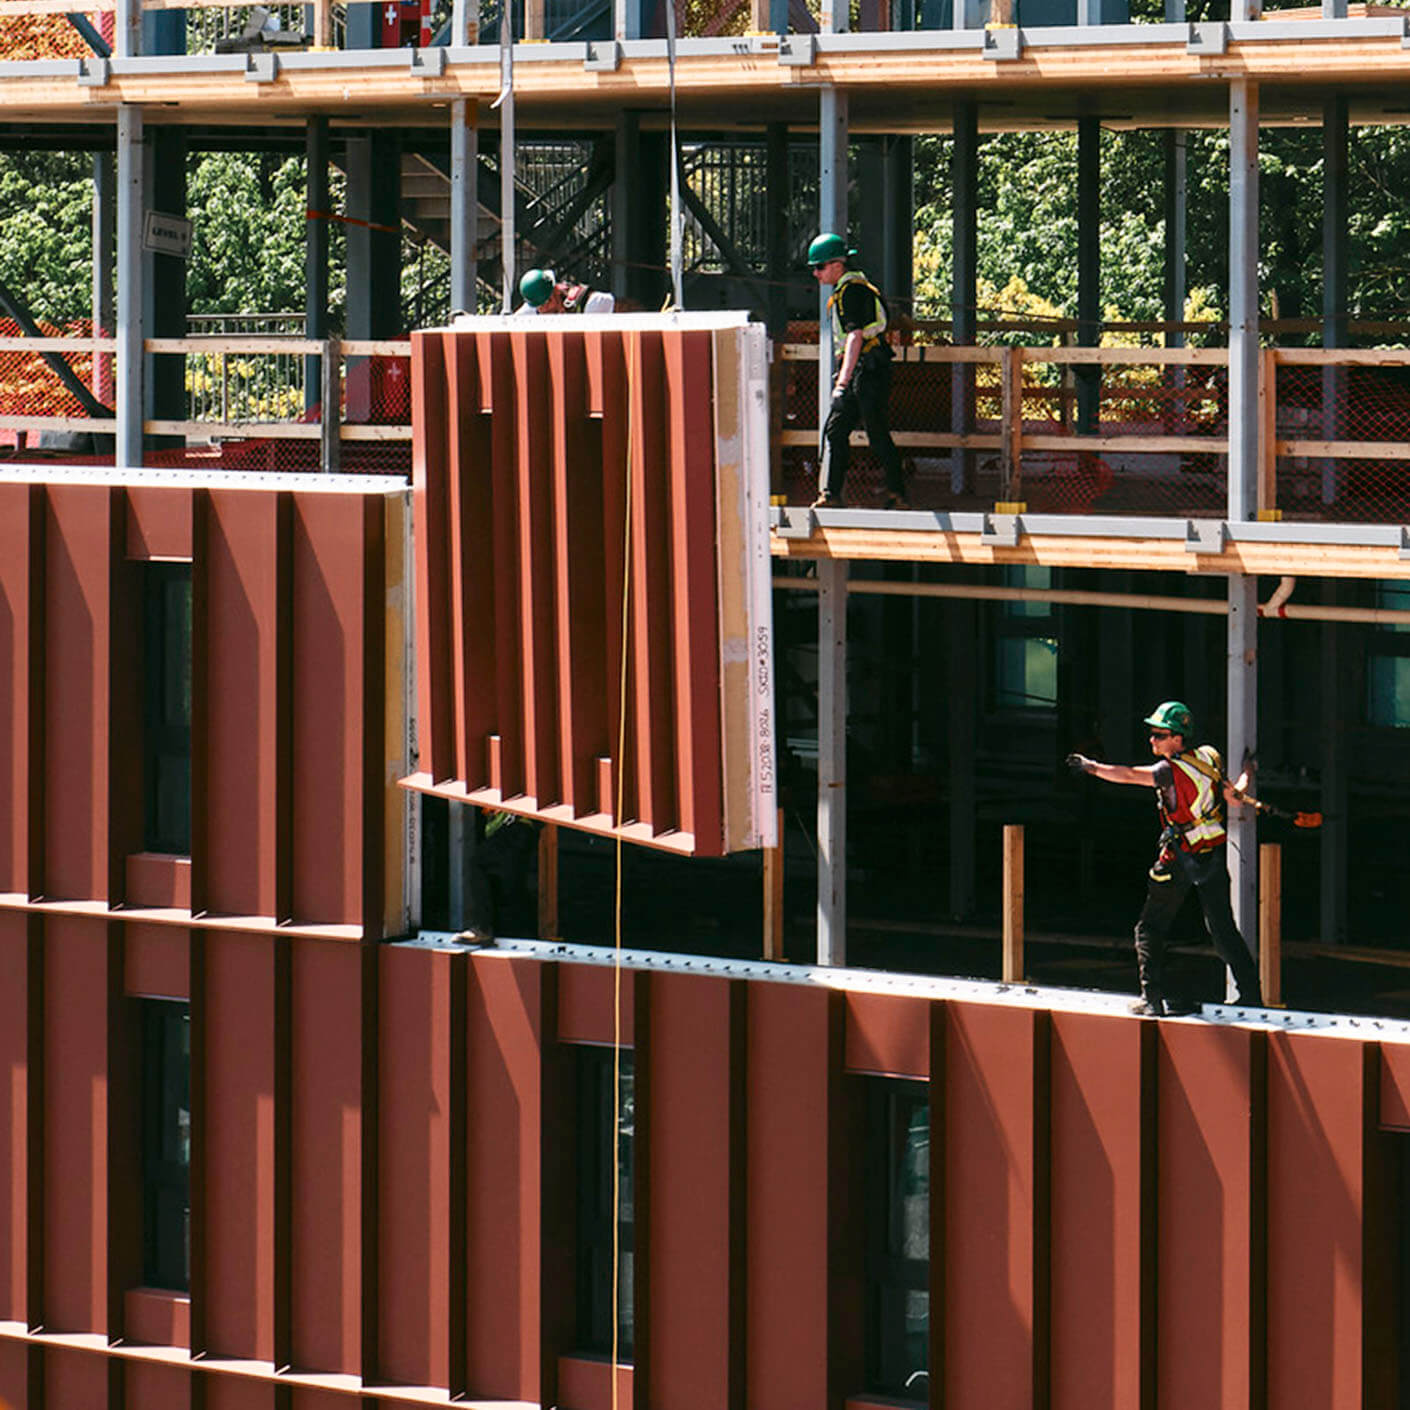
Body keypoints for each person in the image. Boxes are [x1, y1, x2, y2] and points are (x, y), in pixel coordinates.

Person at [1067, 700, 1263, 1017]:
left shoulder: (1167, 771)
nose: (1152, 740)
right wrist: (1248, 771)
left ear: (1177, 737)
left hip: (1179, 857)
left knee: (1150, 928)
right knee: (1223, 929)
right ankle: (1252, 996)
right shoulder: (1209, 757)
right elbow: (1232, 795)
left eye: (1159, 734)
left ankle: (1151, 999)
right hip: (1211, 856)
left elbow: (1129, 775)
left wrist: (1092, 767)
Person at [807, 232, 908, 511]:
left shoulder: (852, 291)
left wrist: (841, 383)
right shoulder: (848, 290)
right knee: (836, 429)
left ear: (838, 265)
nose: (815, 273)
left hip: (869, 370)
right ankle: (831, 495)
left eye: (820, 267)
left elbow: (855, 337)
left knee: (876, 431)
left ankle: (897, 494)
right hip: (862, 369)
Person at [517, 268, 616, 316]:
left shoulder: (593, 303)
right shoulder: (531, 309)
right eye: (539, 306)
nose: (544, 310)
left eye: (548, 302)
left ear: (557, 290)